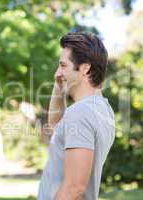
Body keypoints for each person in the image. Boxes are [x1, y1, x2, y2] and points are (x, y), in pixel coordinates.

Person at [38, 32, 115, 200]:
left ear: (85, 68)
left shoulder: (80, 113)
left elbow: (74, 188)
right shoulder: (102, 109)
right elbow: (55, 127)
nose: (57, 73)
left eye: (63, 65)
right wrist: (60, 83)